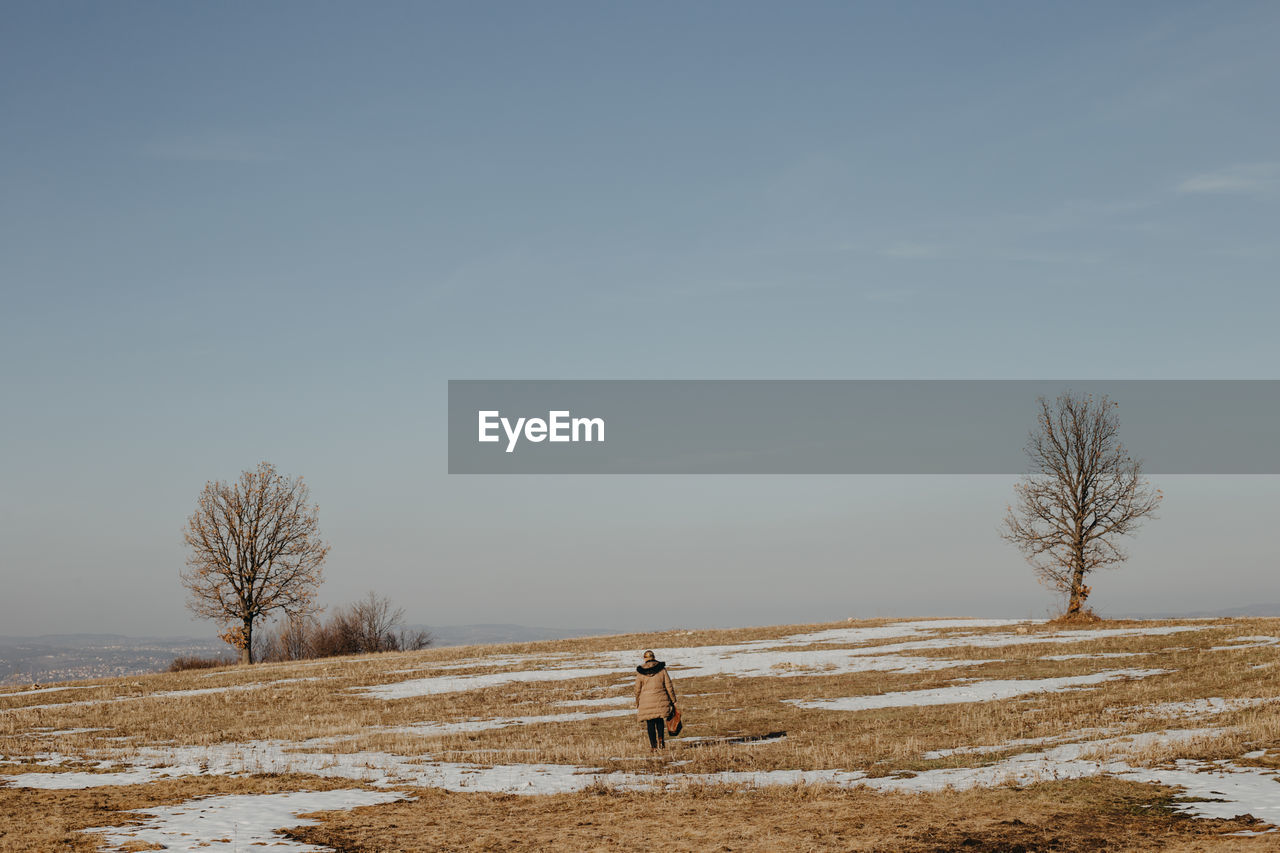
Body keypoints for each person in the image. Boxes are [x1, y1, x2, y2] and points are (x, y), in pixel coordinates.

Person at [635, 649, 677, 750]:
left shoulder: (641, 672)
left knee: (650, 723)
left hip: (646, 701)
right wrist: (673, 700)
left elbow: (637, 689)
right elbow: (669, 686)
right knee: (659, 720)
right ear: (654, 657)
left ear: (645, 659)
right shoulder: (662, 669)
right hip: (660, 699)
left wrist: (637, 702)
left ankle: (653, 746)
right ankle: (661, 741)